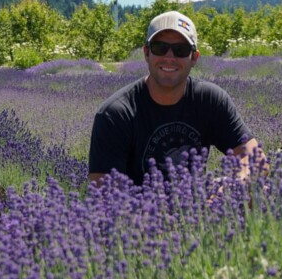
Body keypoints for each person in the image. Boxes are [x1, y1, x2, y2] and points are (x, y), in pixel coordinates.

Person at [88, 10, 265, 187]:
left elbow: (256, 160)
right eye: (160, 47)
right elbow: (102, 193)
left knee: (259, 190)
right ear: (147, 53)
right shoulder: (116, 114)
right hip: (137, 212)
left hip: (197, 208)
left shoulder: (209, 100)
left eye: (181, 50)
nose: (169, 57)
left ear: (194, 58)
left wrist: (232, 187)